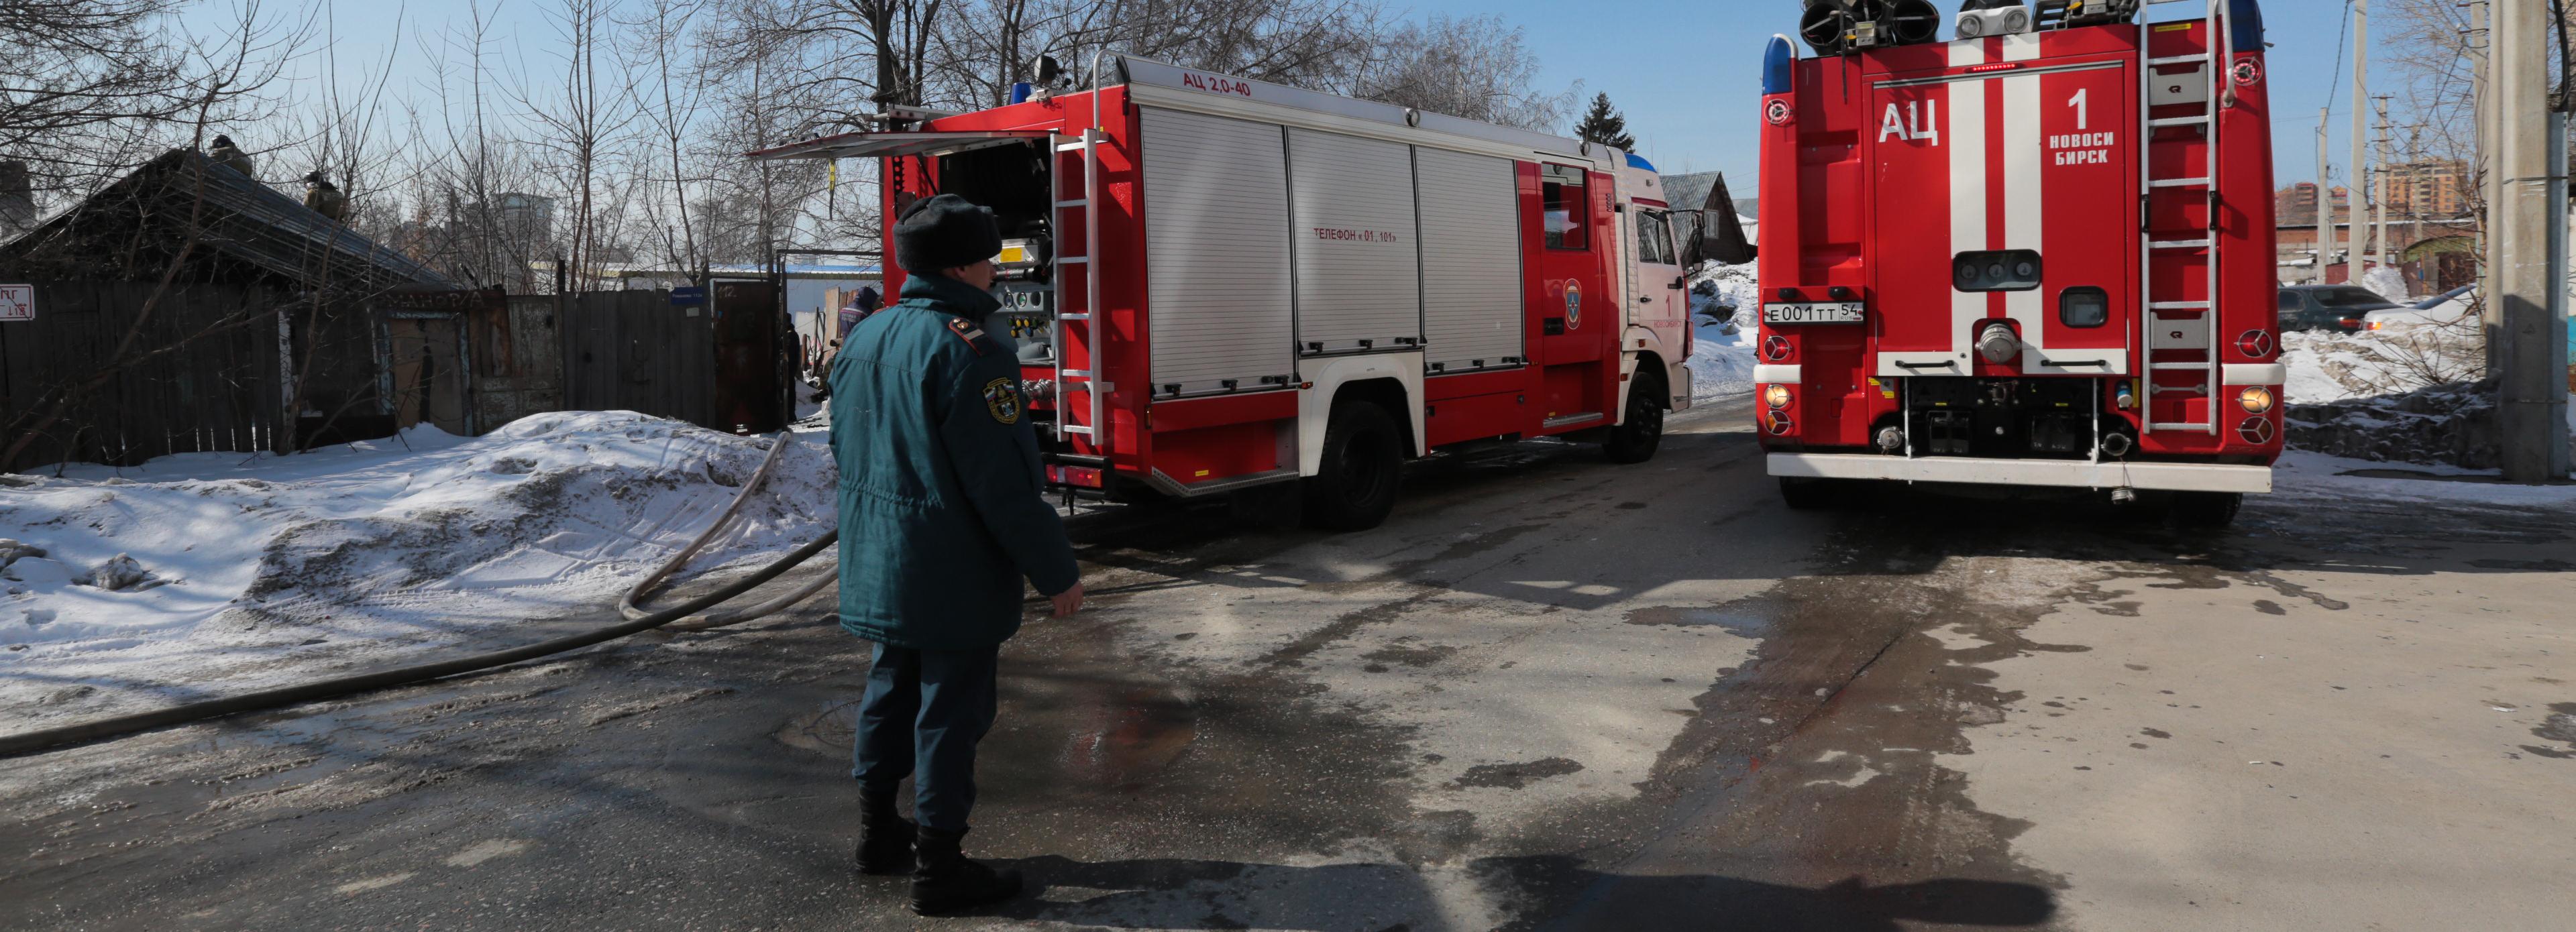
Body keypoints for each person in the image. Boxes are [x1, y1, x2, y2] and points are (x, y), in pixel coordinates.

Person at [828, 192, 1084, 916]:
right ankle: (939, 865)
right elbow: (1004, 488)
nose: (997, 272)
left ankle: (880, 835)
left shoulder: (867, 336)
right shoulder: (973, 350)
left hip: (882, 561)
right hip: (951, 570)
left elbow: (846, 451)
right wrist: (1057, 572)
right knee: (951, 707)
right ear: (966, 264)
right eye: (991, 259)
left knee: (889, 690)